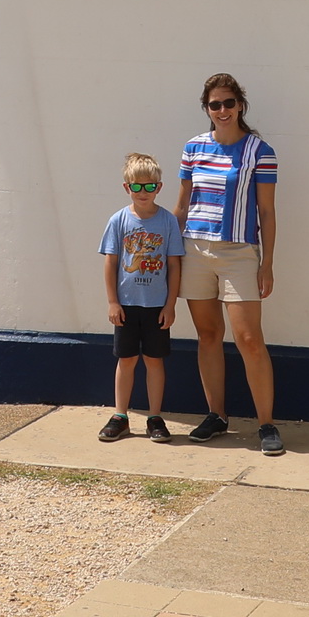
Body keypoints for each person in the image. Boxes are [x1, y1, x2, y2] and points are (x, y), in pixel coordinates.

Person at [176, 72, 282, 454]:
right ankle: (217, 415)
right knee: (207, 335)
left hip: (239, 253)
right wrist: (166, 251)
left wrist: (266, 263)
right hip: (195, 251)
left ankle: (266, 424)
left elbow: (267, 212)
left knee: (249, 339)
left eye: (229, 103)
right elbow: (183, 205)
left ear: (241, 105)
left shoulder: (260, 151)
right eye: (214, 104)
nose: (222, 110)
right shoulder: (193, 148)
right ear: (207, 109)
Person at [97, 154, 184, 443]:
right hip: (127, 304)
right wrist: (112, 301)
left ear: (159, 188)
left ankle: (155, 416)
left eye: (150, 187)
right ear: (127, 188)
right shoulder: (119, 220)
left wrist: (170, 304)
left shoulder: (168, 221)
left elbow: (174, 264)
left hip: (156, 305)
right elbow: (111, 262)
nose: (143, 193)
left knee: (154, 360)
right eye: (137, 187)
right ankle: (120, 415)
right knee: (127, 359)